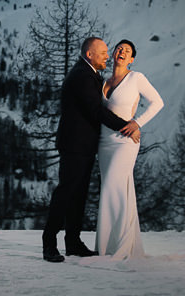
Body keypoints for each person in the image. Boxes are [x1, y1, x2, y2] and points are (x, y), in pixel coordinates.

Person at [41, 37, 136, 263]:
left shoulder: (89, 73)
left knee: (78, 195)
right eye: (103, 52)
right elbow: (96, 111)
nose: (107, 56)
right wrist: (126, 126)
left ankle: (73, 243)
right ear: (90, 54)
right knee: (66, 193)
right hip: (75, 145)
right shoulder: (83, 76)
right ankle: (49, 243)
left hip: (83, 146)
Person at [95, 39, 164, 259]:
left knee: (111, 188)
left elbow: (158, 102)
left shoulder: (136, 78)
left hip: (125, 142)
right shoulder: (103, 81)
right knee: (117, 189)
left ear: (131, 59)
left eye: (127, 51)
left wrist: (138, 123)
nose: (122, 52)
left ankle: (113, 248)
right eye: (119, 49)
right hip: (103, 143)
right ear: (114, 54)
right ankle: (116, 244)